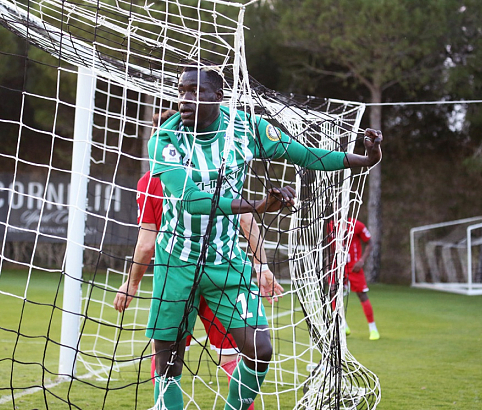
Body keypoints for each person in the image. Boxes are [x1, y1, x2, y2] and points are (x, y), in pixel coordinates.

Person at [146, 62, 382, 410]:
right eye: (182, 91)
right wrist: (259, 205)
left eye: (196, 91)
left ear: (218, 96)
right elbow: (192, 201)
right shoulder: (164, 139)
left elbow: (305, 155)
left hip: (227, 261)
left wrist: (363, 159)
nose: (185, 99)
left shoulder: (246, 127)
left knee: (260, 350)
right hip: (177, 262)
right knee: (169, 364)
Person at [114, 110, 281, 410]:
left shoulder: (150, 181)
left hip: (178, 276)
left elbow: (146, 243)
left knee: (166, 358)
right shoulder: (216, 168)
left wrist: (131, 283)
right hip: (221, 274)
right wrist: (261, 266)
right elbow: (247, 221)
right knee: (235, 355)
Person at [340, 218, 379, 341]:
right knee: (333, 294)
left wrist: (361, 260)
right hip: (338, 267)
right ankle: (343, 326)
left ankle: (373, 329)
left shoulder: (357, 225)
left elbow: (370, 243)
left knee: (362, 295)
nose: (337, 209)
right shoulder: (330, 225)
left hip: (354, 266)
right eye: (335, 208)